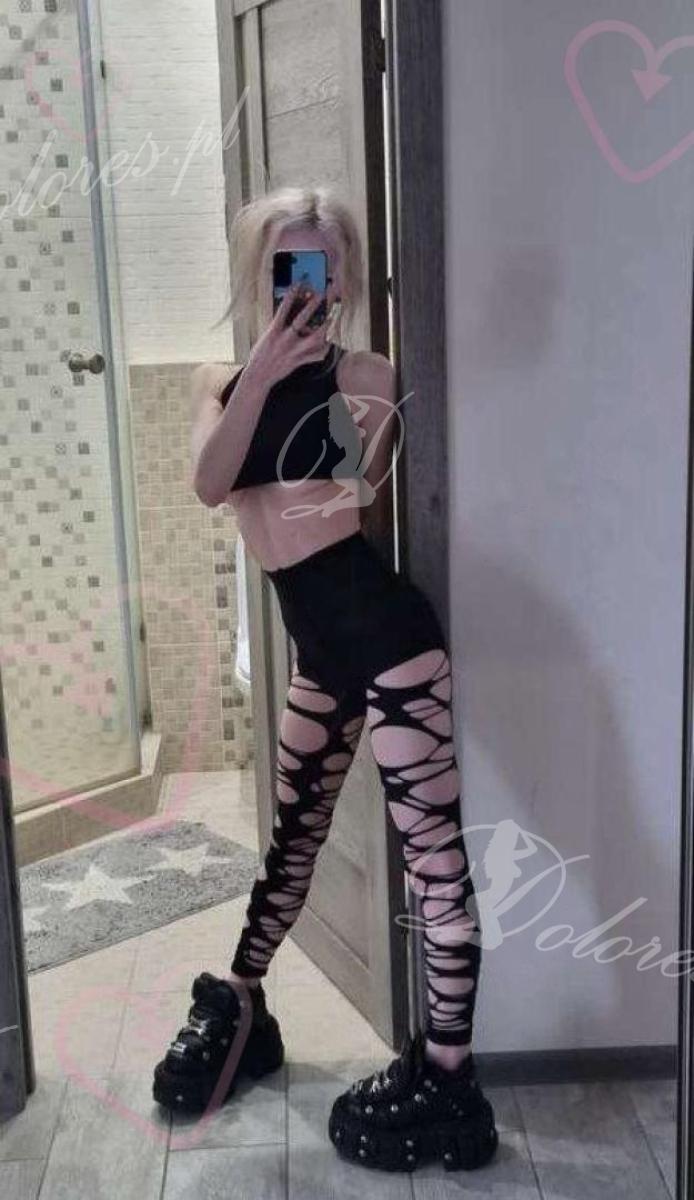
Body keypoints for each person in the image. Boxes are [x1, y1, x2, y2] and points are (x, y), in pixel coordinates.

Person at [152, 186, 498, 1174]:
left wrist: (306, 377)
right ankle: (243, 1002)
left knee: (433, 859)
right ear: (257, 273)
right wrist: (264, 369)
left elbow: (341, 501)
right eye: (287, 267)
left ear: (343, 278)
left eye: (322, 267)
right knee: (293, 837)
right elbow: (211, 483)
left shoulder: (368, 375)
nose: (307, 285)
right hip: (320, 651)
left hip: (389, 642)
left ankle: (449, 1079)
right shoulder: (218, 381)